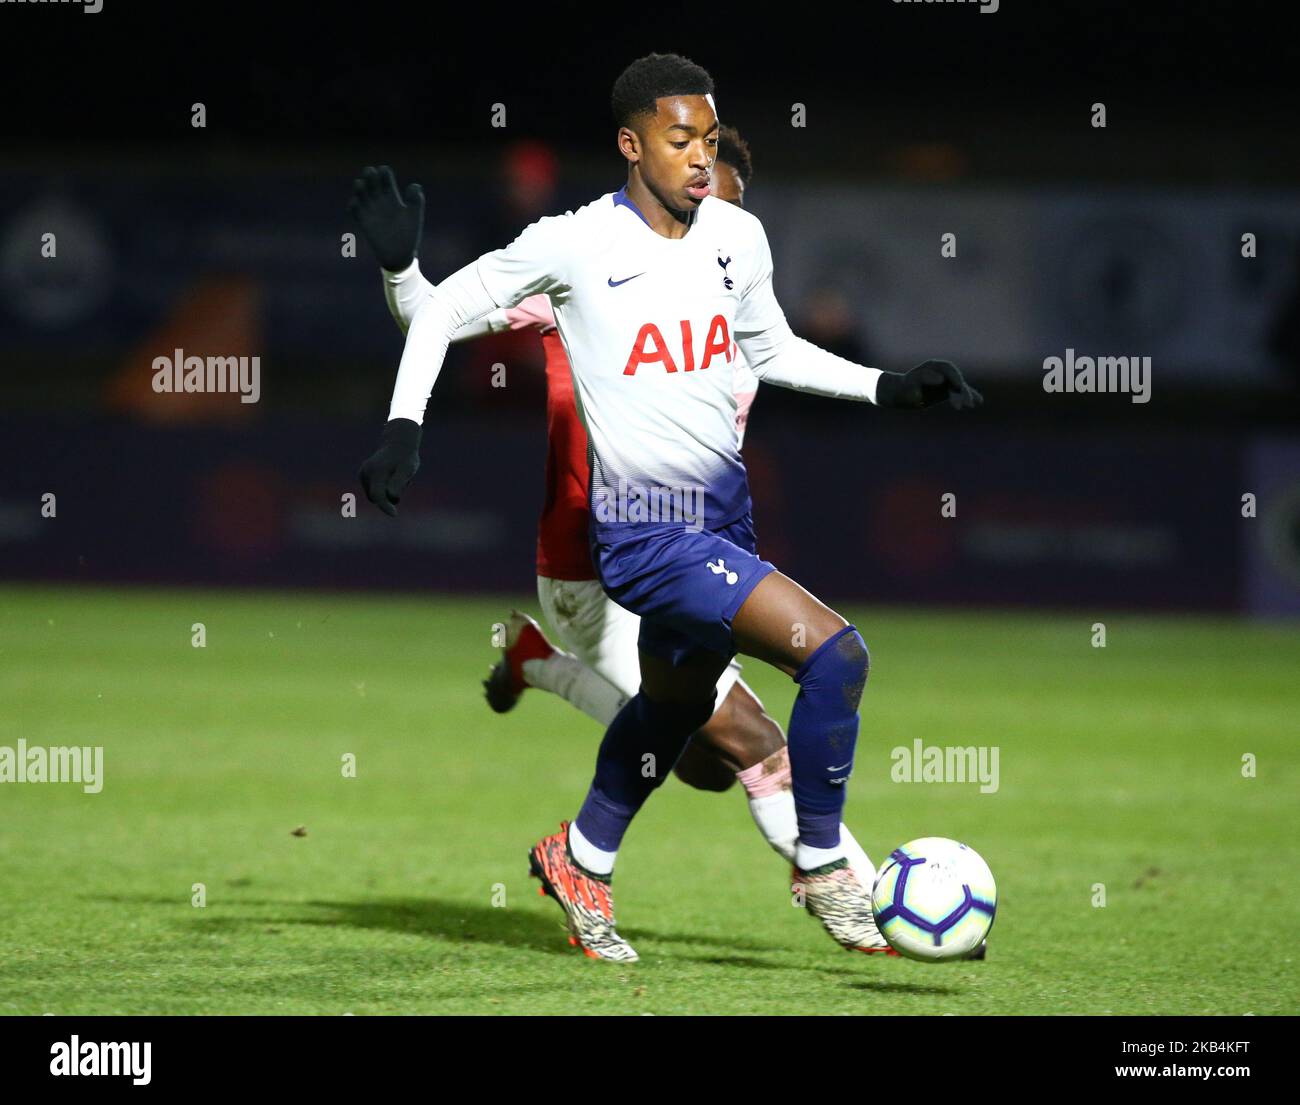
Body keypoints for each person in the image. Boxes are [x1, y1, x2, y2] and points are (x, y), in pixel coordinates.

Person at [355, 53, 981, 962]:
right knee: (837, 656)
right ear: (631, 143)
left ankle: (579, 856)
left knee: (674, 718)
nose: (698, 158)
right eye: (681, 140)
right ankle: (825, 867)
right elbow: (440, 312)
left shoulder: (736, 238)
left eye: (710, 141)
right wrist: (403, 421)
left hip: (723, 517)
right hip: (641, 533)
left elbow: (774, 348)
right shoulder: (574, 245)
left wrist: (889, 387)